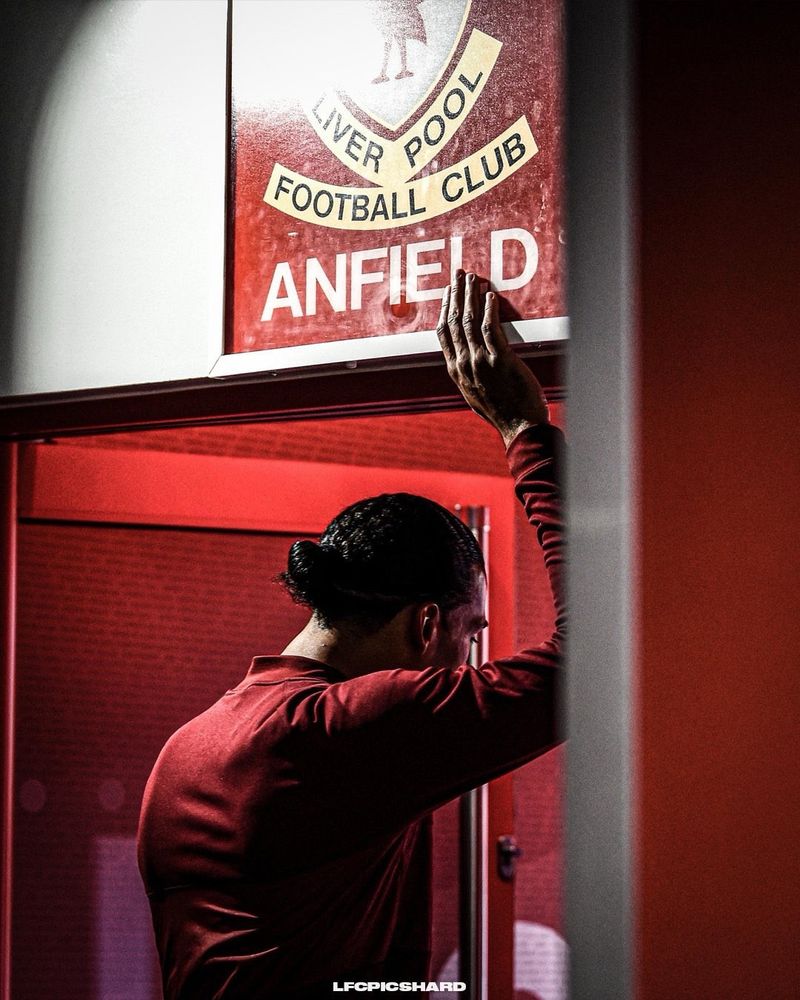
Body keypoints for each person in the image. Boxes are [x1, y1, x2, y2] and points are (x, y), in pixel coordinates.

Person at [137, 271, 565, 999]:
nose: (469, 658)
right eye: (471, 634)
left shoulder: (187, 747)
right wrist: (527, 434)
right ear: (427, 623)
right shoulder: (348, 730)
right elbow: (594, 664)